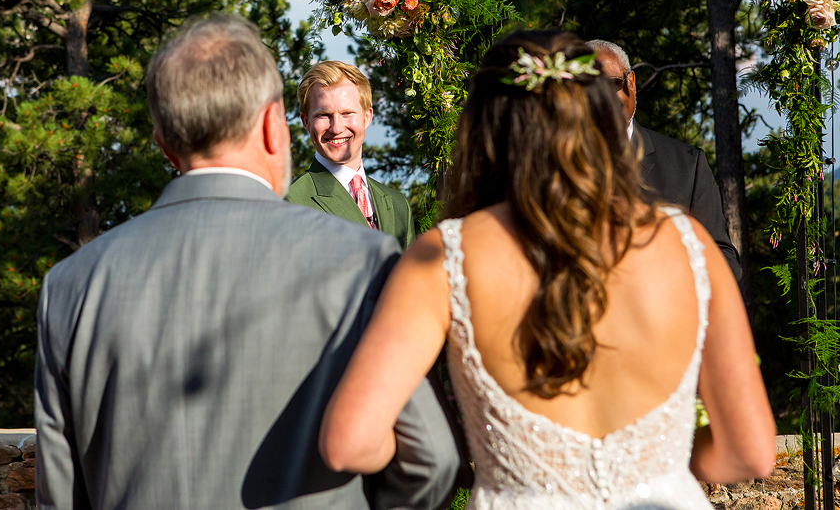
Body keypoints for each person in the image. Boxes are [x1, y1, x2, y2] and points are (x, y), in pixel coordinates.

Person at [320, 31, 775, 510]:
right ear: (594, 116)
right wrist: (652, 471)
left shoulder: (445, 258)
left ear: (485, 130)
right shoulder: (688, 244)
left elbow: (349, 441)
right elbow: (750, 452)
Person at [34, 14, 463, 510]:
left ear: (164, 145)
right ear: (273, 125)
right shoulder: (360, 261)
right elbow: (430, 458)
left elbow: (59, 496)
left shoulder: (69, 286)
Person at [586, 39, 743, 282]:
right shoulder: (551, 164)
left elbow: (723, 260)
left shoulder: (687, 166)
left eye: (611, 84)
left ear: (632, 83)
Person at [287, 61, 414, 249]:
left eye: (347, 113)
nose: (336, 128)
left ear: (367, 117)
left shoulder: (398, 205)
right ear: (306, 121)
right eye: (324, 115)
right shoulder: (291, 201)